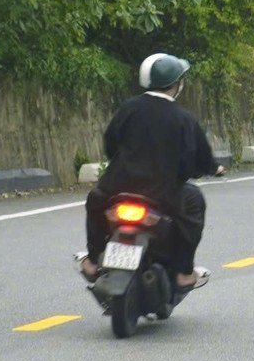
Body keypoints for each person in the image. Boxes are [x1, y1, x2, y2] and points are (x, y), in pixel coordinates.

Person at [79, 53, 221, 290]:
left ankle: (93, 261)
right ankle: (184, 273)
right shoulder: (184, 119)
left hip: (116, 189)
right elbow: (199, 160)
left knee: (94, 201)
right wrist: (213, 168)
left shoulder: (128, 108)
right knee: (194, 202)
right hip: (162, 195)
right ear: (177, 85)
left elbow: (110, 144)